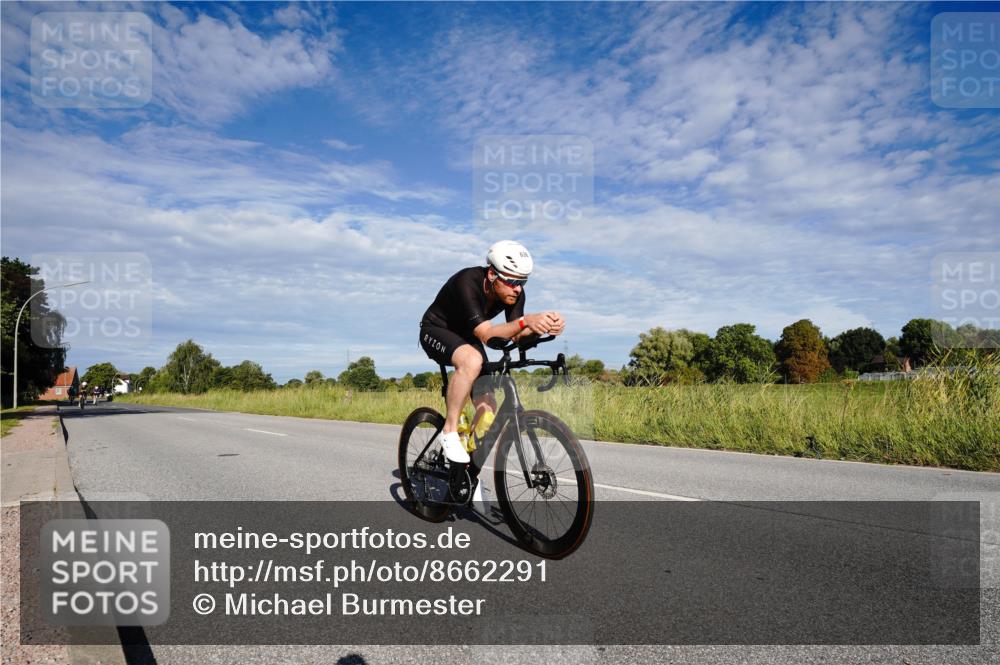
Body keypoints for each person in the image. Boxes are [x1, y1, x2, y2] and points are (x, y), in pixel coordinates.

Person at [419, 240, 565, 465]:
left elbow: (515, 336)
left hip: (468, 336)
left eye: (523, 282)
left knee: (488, 407)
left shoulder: (515, 294)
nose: (518, 288)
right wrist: (526, 321)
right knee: (472, 360)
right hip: (436, 330)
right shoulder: (467, 282)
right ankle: (448, 431)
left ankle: (464, 472)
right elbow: (488, 335)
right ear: (491, 275)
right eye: (513, 281)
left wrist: (539, 329)